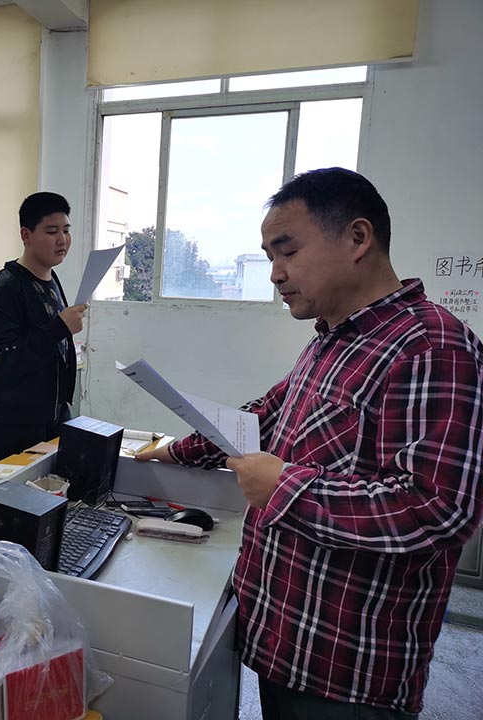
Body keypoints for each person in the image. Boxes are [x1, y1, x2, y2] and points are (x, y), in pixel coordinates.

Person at [137, 168, 483, 718]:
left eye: (288, 251)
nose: (276, 273)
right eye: (269, 256)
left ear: (357, 238)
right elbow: (262, 416)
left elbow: (438, 508)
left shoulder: (430, 346)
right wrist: (171, 451)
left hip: (346, 668)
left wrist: (284, 488)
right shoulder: (332, 339)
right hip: (288, 637)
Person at [0, 191, 87, 462]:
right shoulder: (6, 287)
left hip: (51, 413)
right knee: (16, 488)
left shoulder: (51, 278)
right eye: (52, 231)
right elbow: (3, 360)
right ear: (26, 235)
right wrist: (59, 327)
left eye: (66, 230)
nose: (62, 239)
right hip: (10, 420)